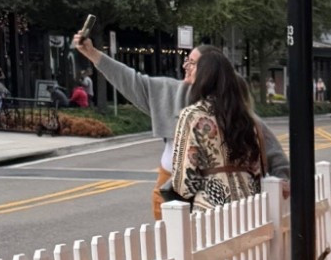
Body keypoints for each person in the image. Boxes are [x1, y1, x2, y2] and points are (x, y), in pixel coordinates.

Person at [71, 33, 288, 209]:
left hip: (196, 200)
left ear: (208, 72)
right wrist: (93, 54)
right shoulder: (170, 92)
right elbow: (131, 81)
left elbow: (275, 155)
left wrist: (282, 180)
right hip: (182, 196)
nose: (185, 66)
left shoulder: (233, 113)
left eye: (192, 63)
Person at [163, 49, 268, 210]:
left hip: (211, 206)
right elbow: (256, 168)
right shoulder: (244, 117)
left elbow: (185, 182)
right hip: (249, 204)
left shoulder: (192, 115)